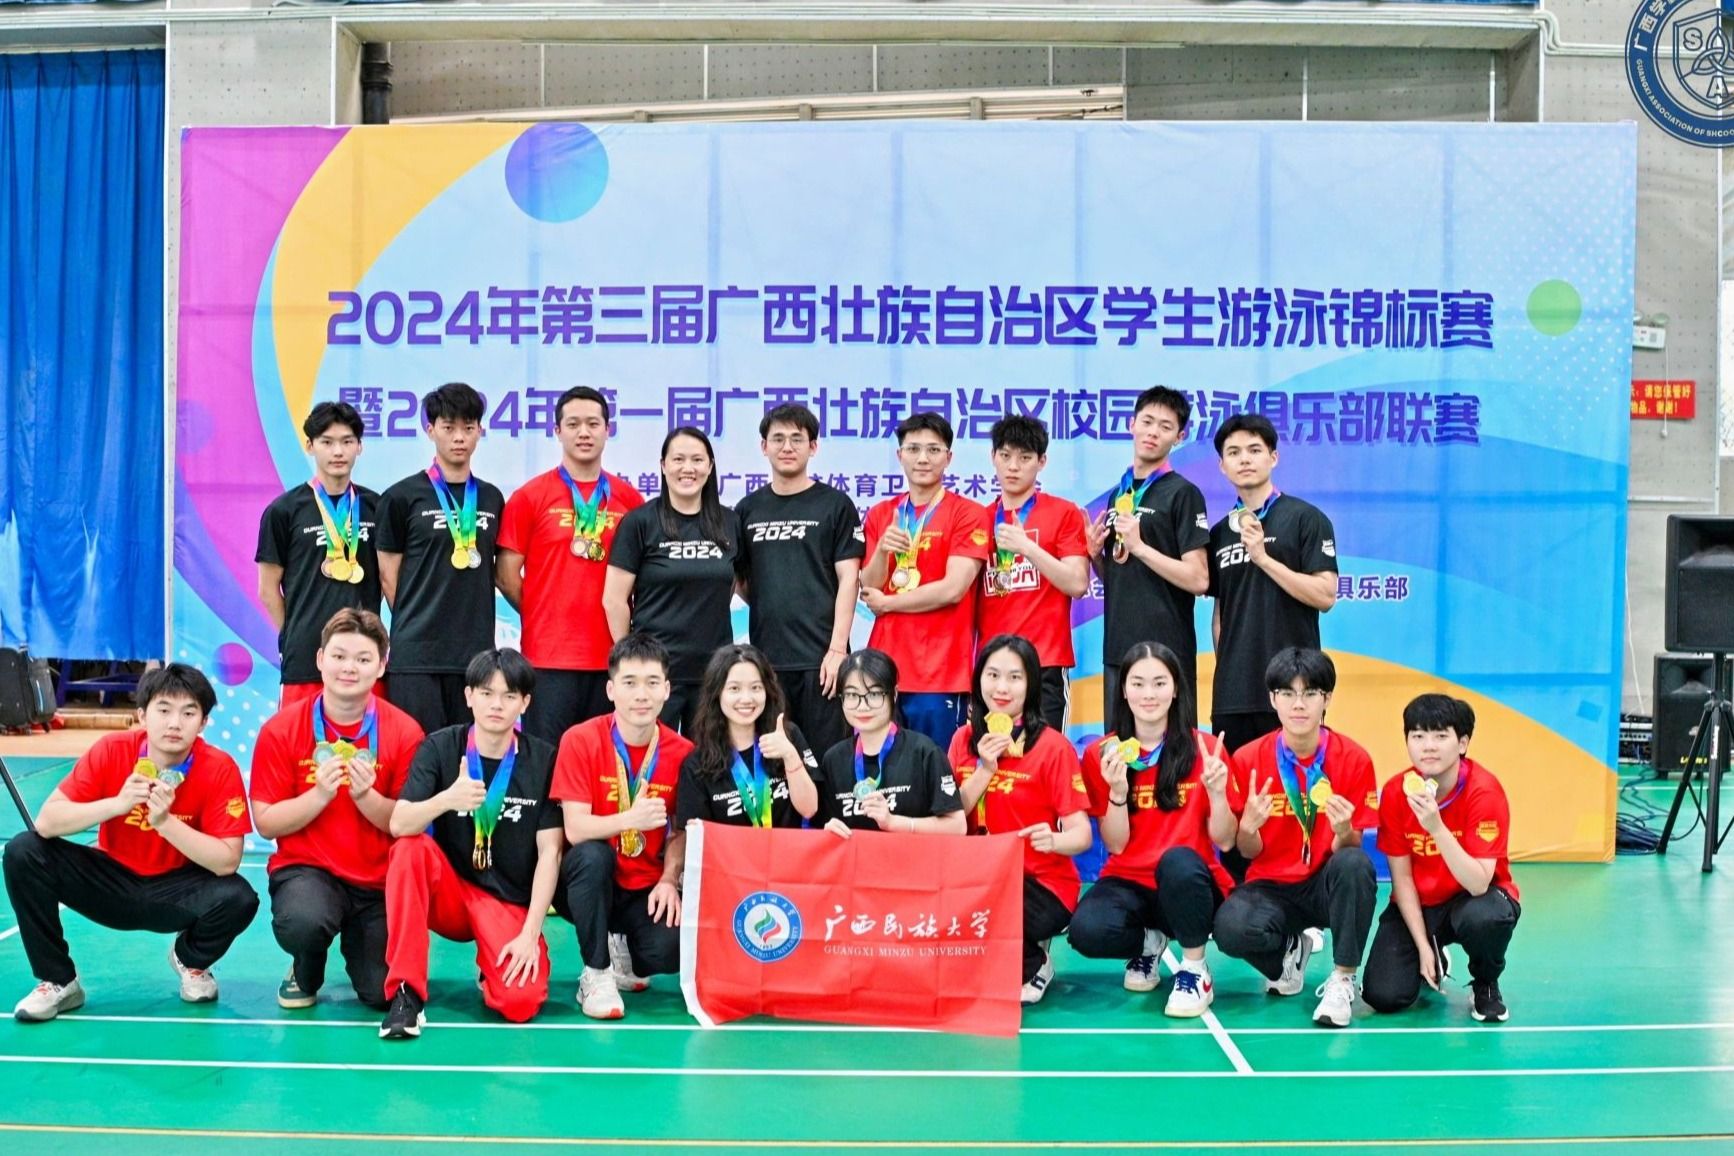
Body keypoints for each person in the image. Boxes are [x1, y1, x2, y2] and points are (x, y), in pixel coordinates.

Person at [5, 665, 258, 1021]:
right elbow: (47, 823)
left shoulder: (219, 768)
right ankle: (58, 981)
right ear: (141, 715)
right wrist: (118, 804)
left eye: (188, 713)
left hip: (177, 888)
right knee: (24, 851)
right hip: (109, 879)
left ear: (203, 723)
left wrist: (165, 823)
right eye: (164, 710)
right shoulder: (112, 750)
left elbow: (227, 861)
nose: (174, 723)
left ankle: (190, 960)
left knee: (240, 897)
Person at [379, 649, 562, 1038]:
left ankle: (491, 964)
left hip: (505, 900)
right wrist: (447, 799)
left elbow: (551, 852)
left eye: (509, 695)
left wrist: (530, 934)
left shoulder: (544, 760)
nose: (497, 705)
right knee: (409, 848)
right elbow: (399, 823)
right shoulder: (439, 747)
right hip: (449, 893)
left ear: (525, 702)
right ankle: (406, 993)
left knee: (520, 1003)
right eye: (486, 693)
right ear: (469, 696)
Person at [250, 609, 424, 1010]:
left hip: (377, 881)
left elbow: (406, 824)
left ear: (381, 666)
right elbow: (266, 822)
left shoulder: (405, 732)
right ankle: (306, 962)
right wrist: (318, 796)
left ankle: (361, 944)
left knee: (382, 994)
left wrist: (366, 798)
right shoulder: (281, 730)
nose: (349, 668)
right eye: (339, 656)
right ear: (320, 659)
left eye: (363, 659)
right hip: (309, 870)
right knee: (304, 922)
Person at [1213, 647, 1377, 1029]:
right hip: (1272, 886)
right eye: (1287, 693)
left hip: (1323, 885)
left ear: (1327, 699)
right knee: (1229, 929)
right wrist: (1248, 827)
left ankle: (1342, 979)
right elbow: (1247, 850)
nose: (1298, 704)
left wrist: (1342, 831)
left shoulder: (1354, 759)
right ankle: (1290, 951)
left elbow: (1350, 849)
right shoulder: (1249, 759)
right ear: (1273, 699)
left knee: (1355, 864)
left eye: (1310, 693)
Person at [1070, 642, 1236, 1017]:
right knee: (1086, 930)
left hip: (1189, 883)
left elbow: (1225, 840)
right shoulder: (1102, 754)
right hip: (1129, 881)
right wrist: (1117, 793)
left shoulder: (1206, 749)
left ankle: (1194, 969)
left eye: (1159, 683)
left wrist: (1217, 794)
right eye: (1138, 683)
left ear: (1176, 689)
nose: (1149, 694)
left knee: (1177, 861)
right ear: (1123, 690)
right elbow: (1115, 844)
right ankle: (1148, 942)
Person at [551, 633, 695, 1020]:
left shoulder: (683, 753)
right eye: (629, 683)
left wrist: (669, 878)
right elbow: (575, 829)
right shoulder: (580, 740)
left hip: (645, 885)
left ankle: (623, 945)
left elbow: (680, 831)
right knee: (591, 856)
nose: (641, 695)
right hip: (585, 883)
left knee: (671, 950)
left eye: (652, 683)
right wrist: (631, 819)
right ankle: (596, 974)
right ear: (611, 689)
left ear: (667, 690)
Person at [948, 634, 1092, 1005]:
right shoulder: (962, 740)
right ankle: (1013, 948)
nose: (1002, 688)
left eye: (1015, 677)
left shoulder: (1053, 747)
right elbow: (952, 819)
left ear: (1030, 685)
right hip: (980, 876)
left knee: (989, 910)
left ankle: (1034, 963)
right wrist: (984, 770)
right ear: (978, 679)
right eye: (993, 675)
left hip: (1042, 884)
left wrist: (1054, 840)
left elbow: (1081, 835)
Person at [497, 386, 645, 745]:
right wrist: (541, 609)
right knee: (546, 759)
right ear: (557, 431)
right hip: (547, 658)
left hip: (612, 658)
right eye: (573, 424)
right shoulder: (529, 496)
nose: (584, 433)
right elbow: (505, 573)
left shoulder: (629, 500)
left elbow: (642, 577)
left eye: (593, 424)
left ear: (608, 430)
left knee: (602, 759)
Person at [1363, 695, 1519, 1024]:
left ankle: (1486, 983)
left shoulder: (1484, 792)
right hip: (1421, 904)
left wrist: (1436, 828)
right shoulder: (1396, 792)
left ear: (1462, 743)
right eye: (1418, 735)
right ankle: (1435, 954)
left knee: (1486, 917)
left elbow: (1478, 883)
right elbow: (1402, 879)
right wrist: (1422, 946)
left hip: (1473, 900)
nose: (1428, 746)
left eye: (1440, 735)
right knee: (1383, 995)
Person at [376, 382, 506, 735]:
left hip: (475, 655)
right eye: (448, 427)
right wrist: (418, 619)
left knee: (468, 751)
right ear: (430, 430)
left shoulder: (492, 499)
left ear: (480, 431)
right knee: (420, 752)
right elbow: (388, 575)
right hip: (417, 656)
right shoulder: (401, 497)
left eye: (468, 427)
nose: (459, 437)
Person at [736, 403, 864, 756]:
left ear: (813, 446)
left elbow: (849, 579)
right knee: (774, 761)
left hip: (822, 663)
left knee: (826, 759)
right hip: (767, 663)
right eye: (778, 439)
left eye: (797, 438)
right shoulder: (747, 509)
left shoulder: (835, 505)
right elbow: (742, 582)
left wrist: (837, 649)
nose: (787, 447)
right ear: (764, 447)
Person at [1207, 414, 1338, 755]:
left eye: (1254, 450)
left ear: (1273, 457)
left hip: (1294, 689)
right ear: (1222, 466)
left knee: (1294, 781)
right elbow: (1221, 613)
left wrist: (1263, 559)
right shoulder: (1220, 533)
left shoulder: (1305, 518)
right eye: (1234, 453)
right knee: (1235, 783)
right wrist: (1230, 666)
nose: (1245, 459)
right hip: (1234, 694)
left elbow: (1325, 594)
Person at [860, 413, 991, 746]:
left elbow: (953, 589)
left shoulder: (968, 513)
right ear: (899, 455)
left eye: (933, 450)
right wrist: (882, 551)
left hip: (940, 672)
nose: (922, 458)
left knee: (937, 767)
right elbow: (870, 587)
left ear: (949, 457)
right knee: (883, 767)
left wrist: (890, 602)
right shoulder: (882, 513)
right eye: (913, 449)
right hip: (883, 669)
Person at [604, 427, 742, 732]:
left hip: (713, 670)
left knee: (708, 755)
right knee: (652, 753)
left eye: (697, 460)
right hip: (655, 672)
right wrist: (632, 659)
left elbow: (734, 582)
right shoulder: (640, 522)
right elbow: (614, 600)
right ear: (663, 465)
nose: (687, 468)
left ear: (710, 466)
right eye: (678, 459)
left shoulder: (730, 522)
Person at [1086, 387, 1210, 709]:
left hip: (1167, 652)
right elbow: (1120, 576)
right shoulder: (1119, 494)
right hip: (1118, 651)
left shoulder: (1183, 493)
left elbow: (1199, 579)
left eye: (1165, 426)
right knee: (1119, 740)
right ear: (1132, 425)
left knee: (1173, 741)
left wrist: (1141, 547)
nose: (1153, 432)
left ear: (1179, 437)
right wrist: (1096, 556)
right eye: (1147, 421)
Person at [256, 401, 384, 709]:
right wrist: (296, 632)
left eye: (347, 442)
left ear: (360, 447)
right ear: (310, 446)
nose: (338, 452)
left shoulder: (377, 507)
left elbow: (388, 577)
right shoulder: (283, 511)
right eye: (327, 442)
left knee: (368, 737)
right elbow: (267, 589)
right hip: (306, 656)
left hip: (364, 654)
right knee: (302, 737)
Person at [976, 415, 1089, 730]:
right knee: (992, 756)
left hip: (1045, 662)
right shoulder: (978, 519)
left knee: (1045, 753)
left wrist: (1027, 547)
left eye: (1025, 458)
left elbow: (1077, 583)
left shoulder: (1063, 512)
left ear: (1042, 462)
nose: (1013, 467)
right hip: (992, 667)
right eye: (1005, 456)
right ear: (993, 457)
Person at [813, 649, 966, 838]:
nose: (863, 706)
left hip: (911, 857)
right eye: (852, 695)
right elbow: (821, 826)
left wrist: (895, 823)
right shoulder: (833, 760)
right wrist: (828, 831)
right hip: (858, 857)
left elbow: (957, 826)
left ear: (893, 694)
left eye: (874, 694)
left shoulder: (924, 752)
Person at [674, 645, 821, 829]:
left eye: (755, 687)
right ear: (717, 693)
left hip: (788, 848)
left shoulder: (788, 736)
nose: (746, 698)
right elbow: (698, 836)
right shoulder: (697, 763)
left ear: (768, 690)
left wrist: (790, 756)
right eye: (734, 688)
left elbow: (809, 809)